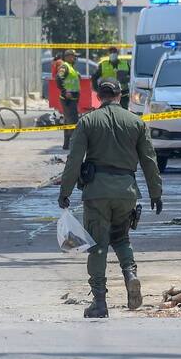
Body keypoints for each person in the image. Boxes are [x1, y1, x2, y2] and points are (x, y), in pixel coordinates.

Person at [58, 78, 163, 318]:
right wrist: (155, 193)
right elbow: (149, 161)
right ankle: (130, 274)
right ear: (120, 96)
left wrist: (65, 191)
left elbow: (74, 160)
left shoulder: (88, 121)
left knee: (97, 247)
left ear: (99, 95)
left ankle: (99, 302)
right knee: (122, 238)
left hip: (96, 193)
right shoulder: (136, 122)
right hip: (126, 192)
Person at [57, 49, 81, 150]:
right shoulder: (64, 66)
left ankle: (66, 144)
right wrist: (65, 91)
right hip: (67, 99)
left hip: (72, 99)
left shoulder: (71, 67)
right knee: (73, 121)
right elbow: (58, 78)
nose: (75, 58)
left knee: (68, 121)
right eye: (73, 56)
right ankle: (73, 144)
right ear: (67, 57)